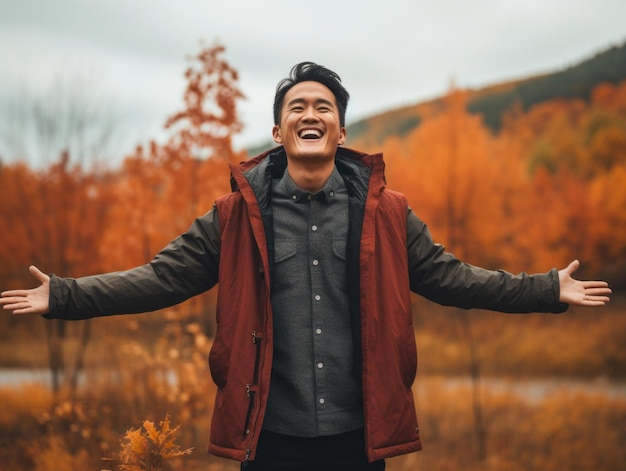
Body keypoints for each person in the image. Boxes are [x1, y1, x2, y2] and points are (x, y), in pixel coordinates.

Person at [0, 62, 612, 471]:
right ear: (278, 129)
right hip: (268, 436)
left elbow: (456, 277)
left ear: (341, 130)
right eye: (297, 106)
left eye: (323, 106)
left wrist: (546, 289)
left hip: (360, 436)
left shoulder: (388, 214)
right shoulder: (234, 215)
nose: (310, 113)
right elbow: (160, 277)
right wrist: (66, 295)